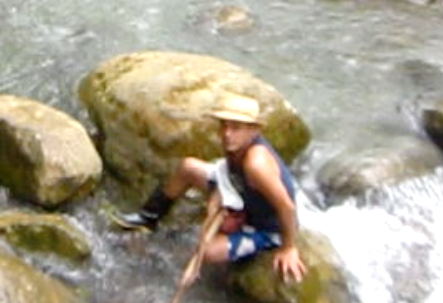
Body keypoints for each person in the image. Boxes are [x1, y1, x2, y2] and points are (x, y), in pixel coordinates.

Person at [112, 92, 307, 284]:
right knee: (188, 168)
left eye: (236, 128)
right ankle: (148, 217)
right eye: (224, 126)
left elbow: (286, 207)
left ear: (253, 131)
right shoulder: (238, 146)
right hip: (242, 196)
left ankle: (246, 248)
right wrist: (219, 196)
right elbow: (229, 173)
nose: (227, 134)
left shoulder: (256, 164)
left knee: (207, 251)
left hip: (266, 228)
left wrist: (288, 248)